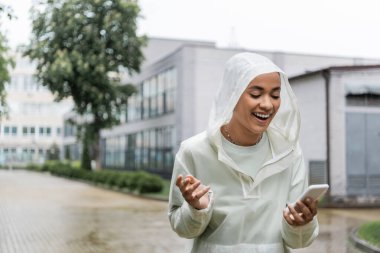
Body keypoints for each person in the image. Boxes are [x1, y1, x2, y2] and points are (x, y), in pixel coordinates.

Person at [168, 52, 319, 253]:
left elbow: (297, 242)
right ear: (233, 94)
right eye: (256, 94)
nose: (267, 104)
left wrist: (301, 224)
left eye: (275, 95)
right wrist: (197, 209)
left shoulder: (288, 152)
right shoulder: (195, 151)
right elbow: (182, 229)